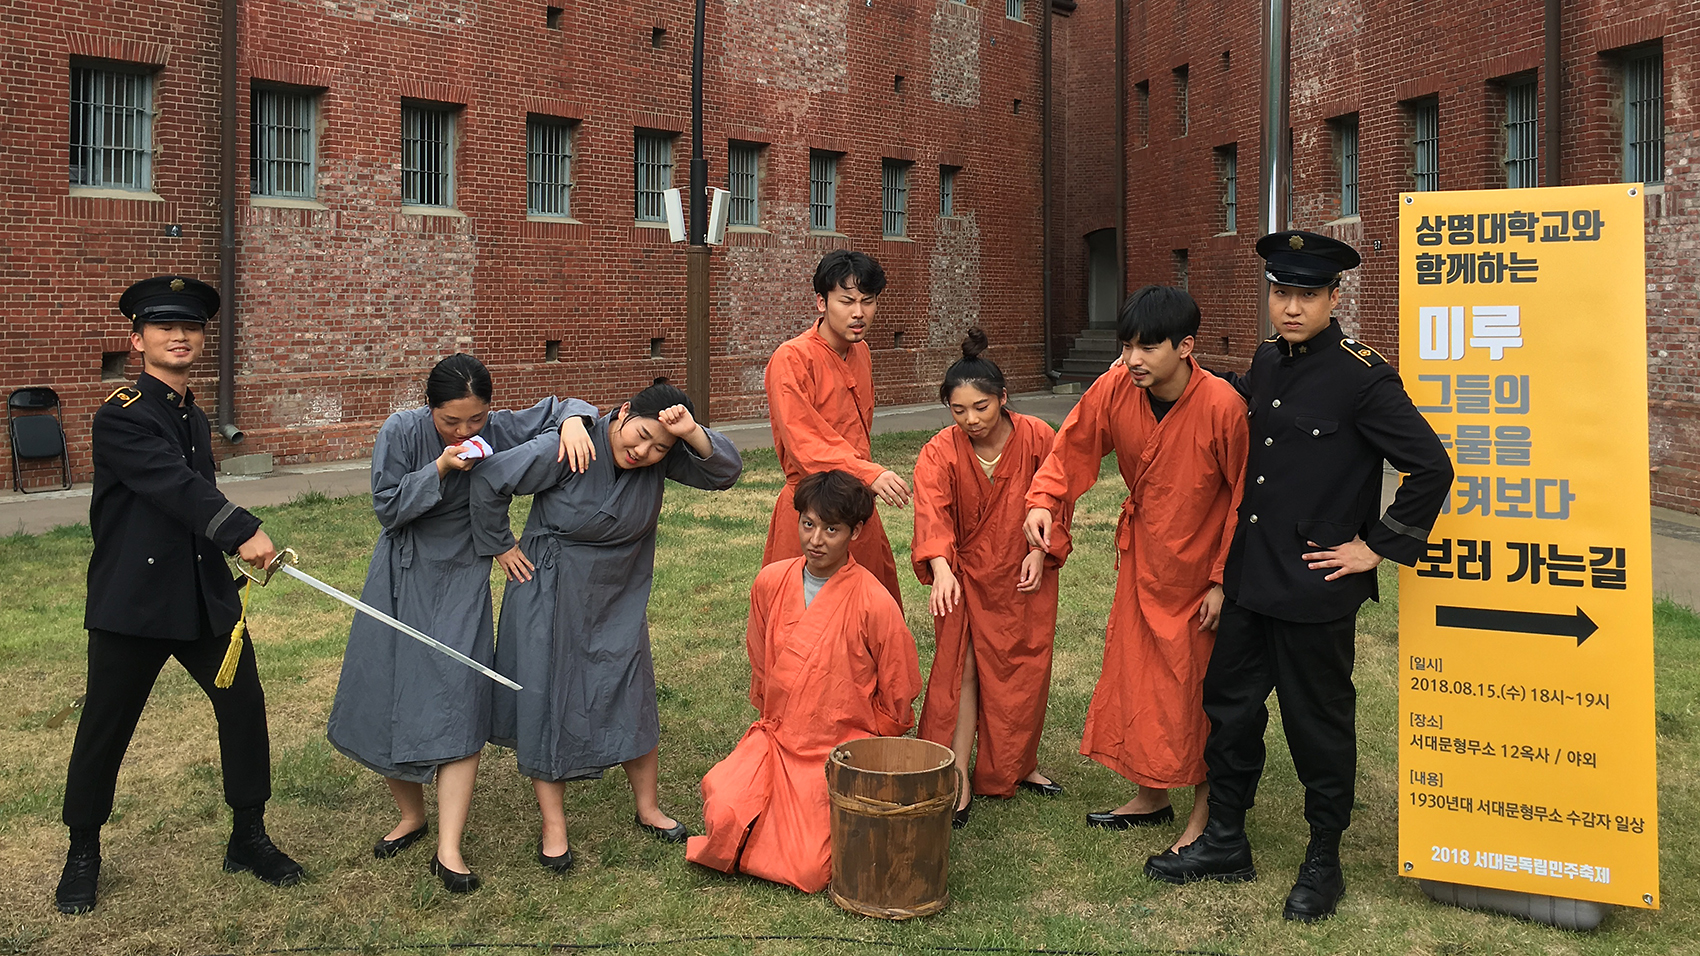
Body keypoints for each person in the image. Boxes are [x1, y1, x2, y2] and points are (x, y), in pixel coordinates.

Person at [1143, 232, 1453, 923]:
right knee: (1229, 711)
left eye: (1305, 295)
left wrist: (1375, 547)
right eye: (1280, 292)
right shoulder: (1267, 360)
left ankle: (1323, 859)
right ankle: (1226, 838)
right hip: (1252, 577)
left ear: (1334, 299)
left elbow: (1431, 467)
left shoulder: (1362, 376)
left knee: (1318, 727)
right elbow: (1236, 412)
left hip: (1315, 588)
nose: (1289, 307)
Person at [56, 275, 303, 915]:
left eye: (190, 327)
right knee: (106, 727)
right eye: (164, 326)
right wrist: (241, 530)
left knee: (243, 707)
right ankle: (82, 851)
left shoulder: (192, 414)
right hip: (133, 601)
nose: (180, 336)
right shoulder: (121, 414)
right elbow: (172, 486)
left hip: (201, 598)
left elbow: (189, 500)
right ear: (137, 340)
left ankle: (248, 837)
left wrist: (231, 551)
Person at [326, 354, 596, 894]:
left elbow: (567, 406)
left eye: (476, 419)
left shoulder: (495, 427)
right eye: (452, 421)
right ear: (430, 409)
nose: (467, 430)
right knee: (388, 690)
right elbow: (388, 507)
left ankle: (449, 847)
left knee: (458, 695)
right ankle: (411, 814)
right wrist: (443, 466)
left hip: (460, 578)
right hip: (401, 573)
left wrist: (569, 420)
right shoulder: (400, 431)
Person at [469, 381, 742, 871]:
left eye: (660, 447)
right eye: (639, 435)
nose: (643, 451)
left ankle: (648, 807)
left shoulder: (663, 454)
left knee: (630, 684)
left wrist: (691, 433)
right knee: (550, 696)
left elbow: (725, 472)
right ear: (620, 414)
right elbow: (490, 480)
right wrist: (500, 544)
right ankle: (554, 827)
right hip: (551, 585)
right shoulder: (569, 444)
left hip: (618, 589)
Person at [1024, 286, 1248, 851]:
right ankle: (1152, 793)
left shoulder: (1222, 405)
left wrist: (1224, 579)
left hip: (1200, 568)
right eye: (1127, 347)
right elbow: (1071, 448)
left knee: (1196, 690)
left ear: (1186, 347)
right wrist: (1044, 503)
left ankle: (1204, 811)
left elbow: (1248, 499)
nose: (1133, 360)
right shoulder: (1114, 387)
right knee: (1140, 677)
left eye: (1148, 348)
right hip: (1144, 556)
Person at [686, 470, 921, 893]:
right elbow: (760, 659)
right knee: (723, 807)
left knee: (809, 867)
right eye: (808, 524)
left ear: (856, 532)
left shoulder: (874, 601)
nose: (816, 539)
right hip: (776, 737)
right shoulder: (770, 582)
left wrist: (866, 744)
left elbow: (898, 687)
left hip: (834, 751)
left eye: (832, 529)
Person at [912, 328, 1070, 827]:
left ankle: (1014, 766)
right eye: (959, 411)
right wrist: (939, 567)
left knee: (1022, 671)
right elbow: (931, 513)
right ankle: (955, 775)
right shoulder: (939, 450)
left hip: (1024, 574)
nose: (972, 420)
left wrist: (1040, 554)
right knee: (962, 670)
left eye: (981, 407)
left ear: (1004, 398)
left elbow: (1057, 499)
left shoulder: (1040, 437)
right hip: (961, 576)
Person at [762, 250, 909, 605]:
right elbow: (805, 442)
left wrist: (864, 477)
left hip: (858, 503)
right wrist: (867, 472)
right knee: (799, 616)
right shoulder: (792, 358)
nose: (858, 313)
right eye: (846, 301)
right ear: (821, 302)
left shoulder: (862, 353)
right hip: (811, 504)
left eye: (868, 302)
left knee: (871, 614)